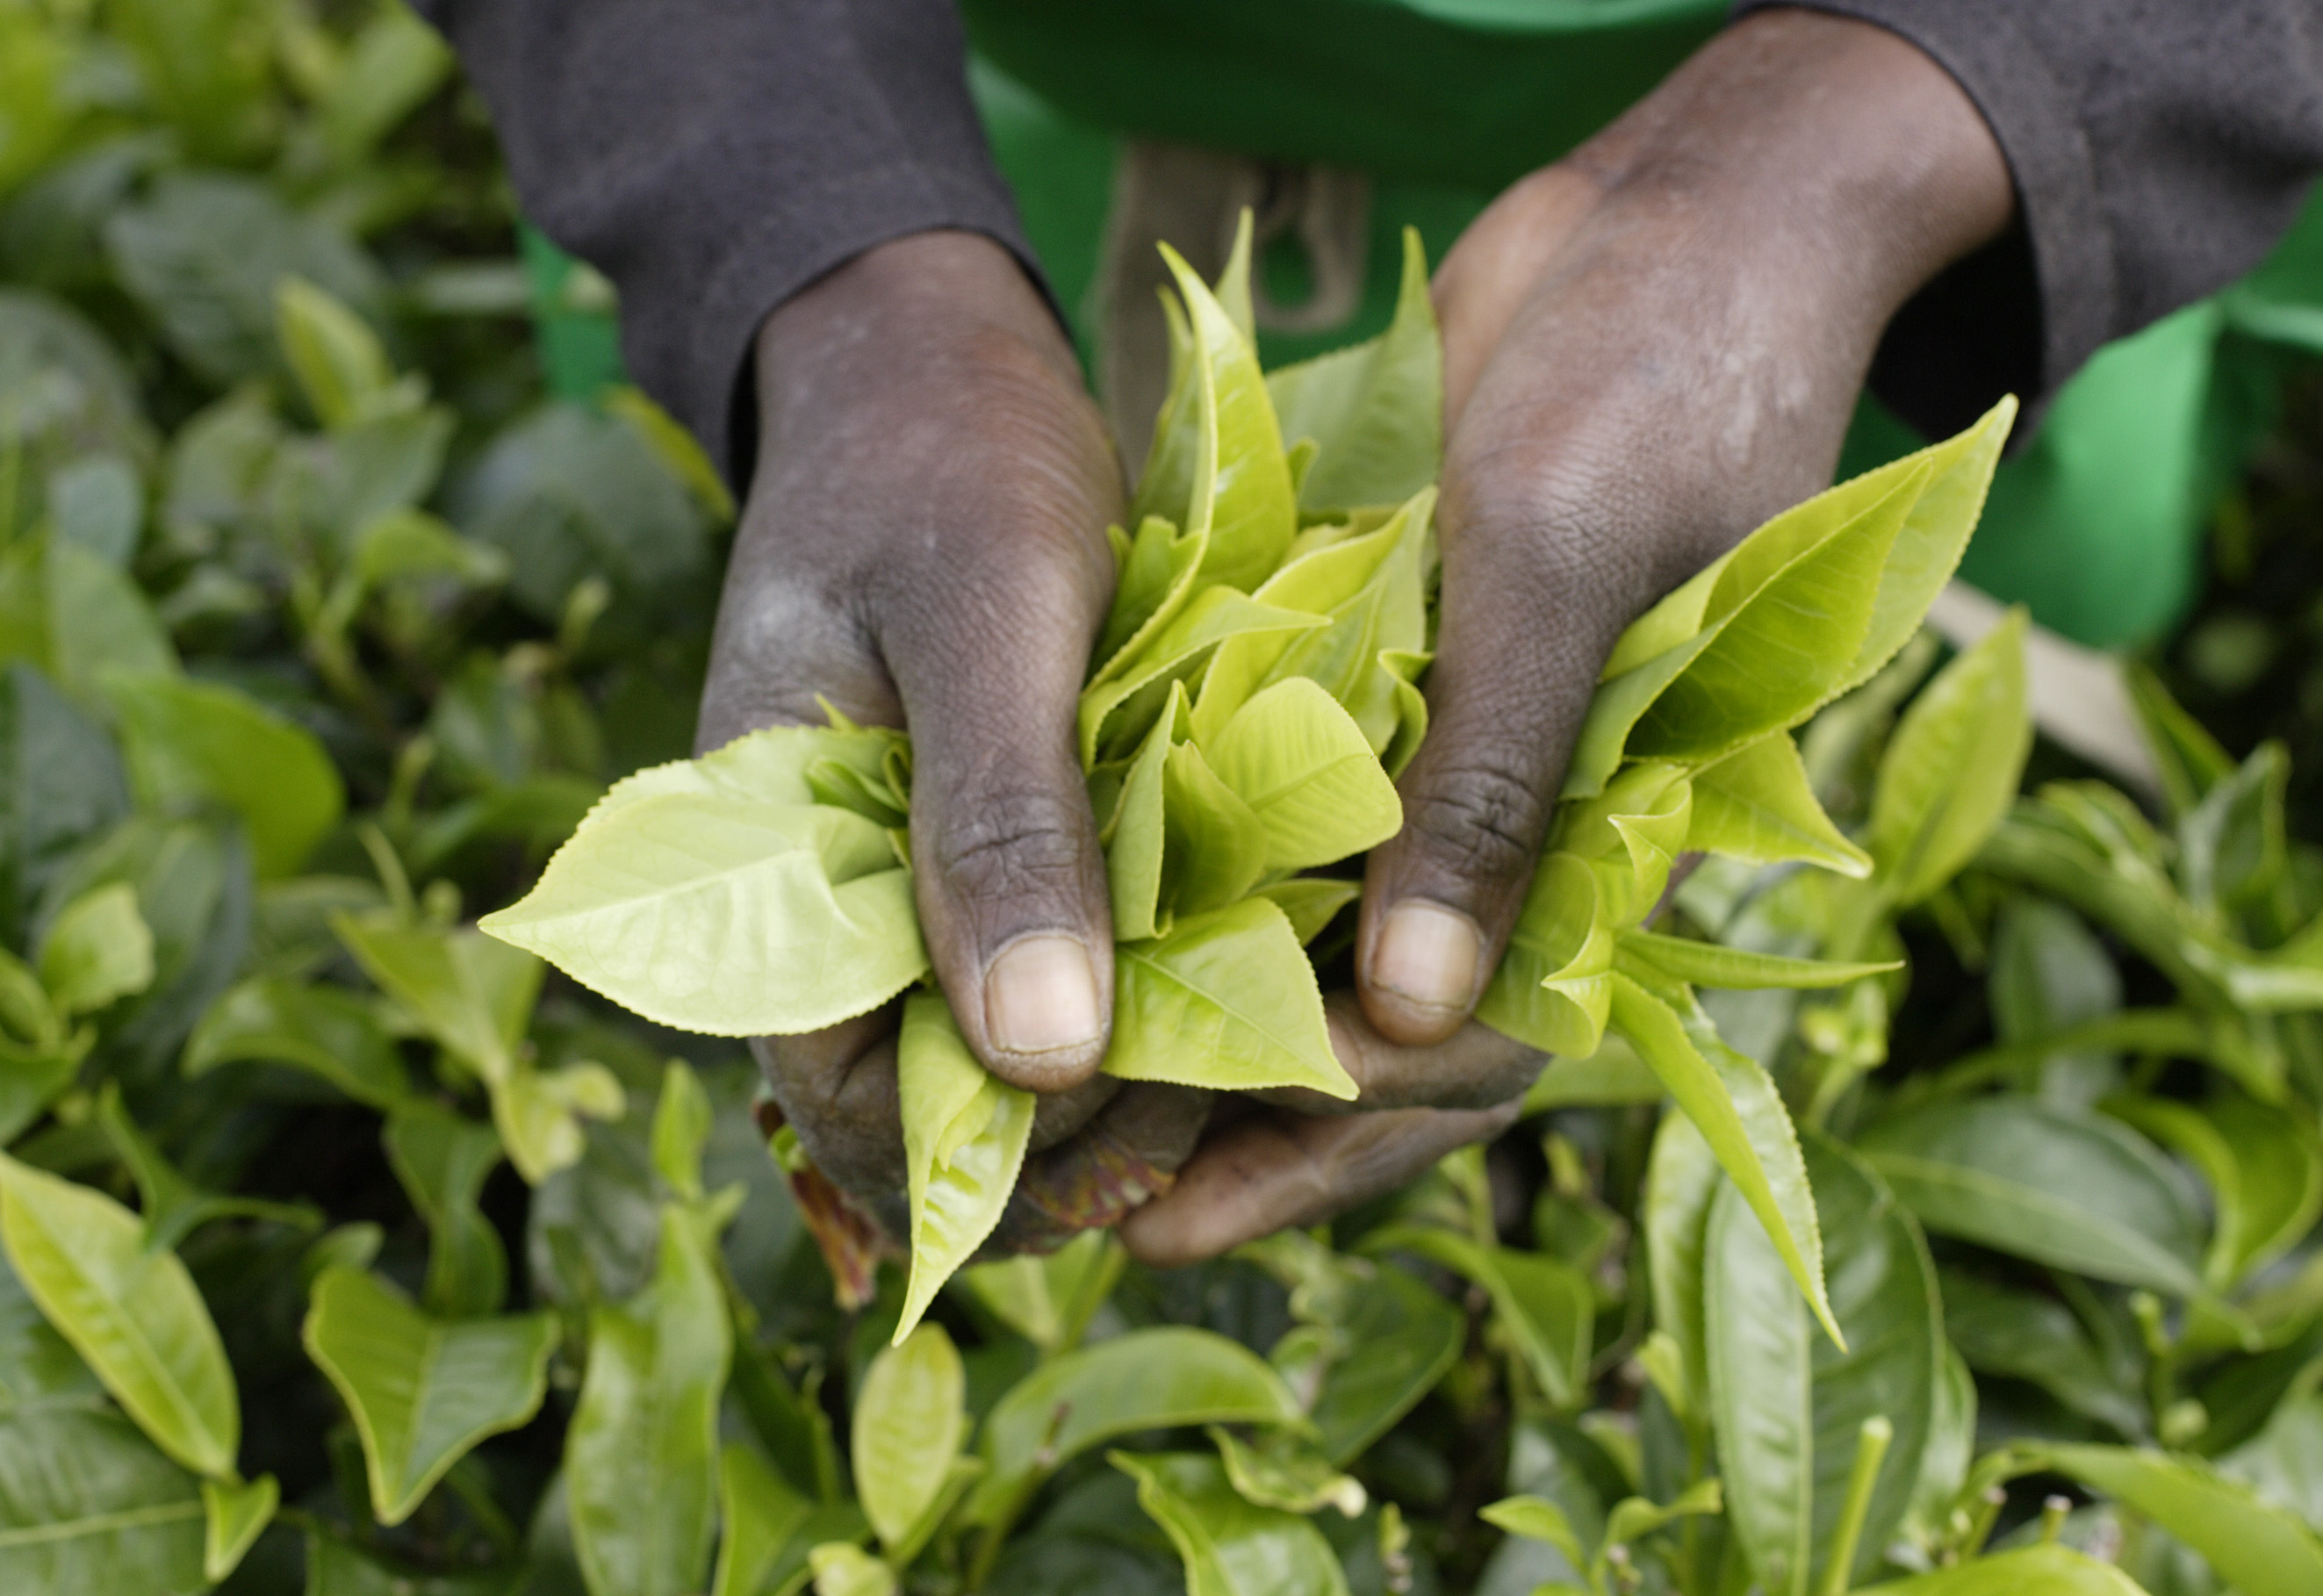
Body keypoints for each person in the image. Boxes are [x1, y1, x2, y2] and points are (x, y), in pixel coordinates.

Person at [414, 1, 2323, 1268]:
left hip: (1881, 217)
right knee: (944, 662)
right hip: (936, 91)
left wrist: (1944, 106)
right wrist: (815, 246)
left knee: (1873, 643)